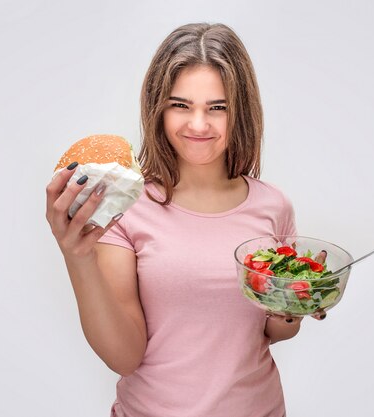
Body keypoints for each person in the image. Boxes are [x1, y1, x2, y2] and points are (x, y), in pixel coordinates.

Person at [46, 22, 324, 417]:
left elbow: (271, 332)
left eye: (218, 107)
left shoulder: (273, 206)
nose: (198, 125)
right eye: (181, 105)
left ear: (241, 112)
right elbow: (124, 357)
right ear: (157, 108)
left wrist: (289, 309)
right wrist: (78, 257)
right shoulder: (125, 206)